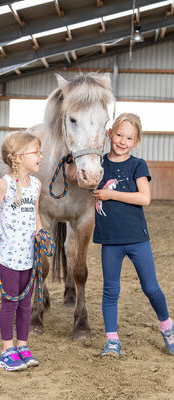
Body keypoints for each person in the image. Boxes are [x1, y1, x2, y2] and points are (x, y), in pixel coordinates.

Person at [92, 113, 174, 358]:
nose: (122, 141)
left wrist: (111, 195)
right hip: (110, 240)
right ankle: (112, 341)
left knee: (150, 288)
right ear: (109, 134)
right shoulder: (98, 164)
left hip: (137, 239)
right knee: (110, 291)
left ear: (136, 141)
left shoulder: (138, 164)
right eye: (119, 135)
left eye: (129, 138)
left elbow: (144, 198)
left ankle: (167, 327)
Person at [0, 131, 43, 371]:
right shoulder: (4, 184)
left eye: (40, 152)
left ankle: (22, 346)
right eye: (35, 152)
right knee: (10, 301)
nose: (40, 156)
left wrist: (40, 232)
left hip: (27, 254)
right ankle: (6, 350)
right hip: (7, 254)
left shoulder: (36, 185)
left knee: (25, 303)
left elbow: (35, 214)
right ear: (18, 158)